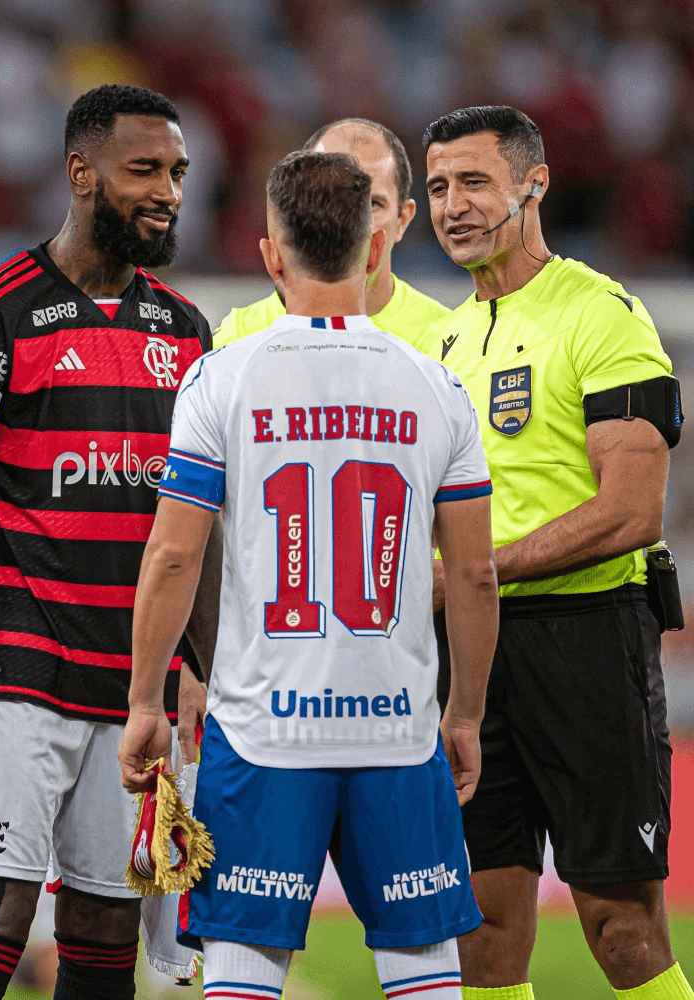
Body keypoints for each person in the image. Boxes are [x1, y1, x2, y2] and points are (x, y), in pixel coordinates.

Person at [119, 150, 500, 1000]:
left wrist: (148, 702)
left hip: (262, 733)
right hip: (399, 732)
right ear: (374, 250)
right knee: (425, 970)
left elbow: (175, 555)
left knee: (245, 969)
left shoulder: (221, 378)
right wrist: (465, 715)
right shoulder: (437, 389)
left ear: (270, 257)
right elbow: (473, 577)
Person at [0, 83, 221, 1000]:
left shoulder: (184, 330)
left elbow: (200, 523)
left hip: (135, 687)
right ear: (82, 174)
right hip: (19, 669)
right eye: (144, 170)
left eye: (178, 173)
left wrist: (199, 668)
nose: (167, 190)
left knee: (103, 920)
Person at [418, 105, 690, 1000]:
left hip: (587, 641)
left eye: (474, 183)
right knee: (483, 933)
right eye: (438, 187)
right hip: (470, 659)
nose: (452, 206)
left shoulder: (602, 314)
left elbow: (631, 513)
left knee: (621, 930)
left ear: (533, 184)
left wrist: (477, 571)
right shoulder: (443, 343)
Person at [213, 117, 448, 348]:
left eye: (372, 204)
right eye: (329, 199)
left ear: (402, 220)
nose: (350, 221)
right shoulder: (238, 338)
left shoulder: (445, 338)